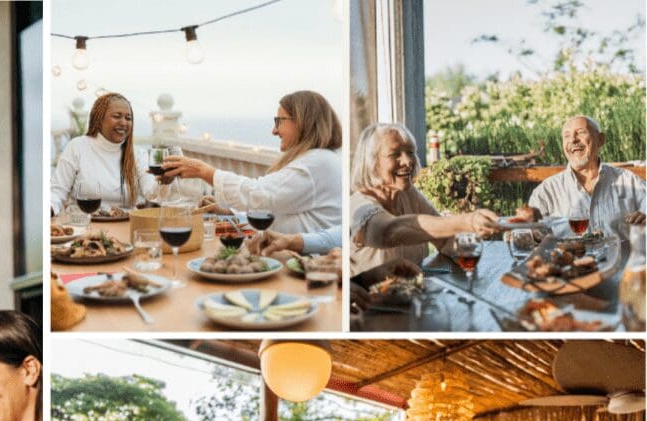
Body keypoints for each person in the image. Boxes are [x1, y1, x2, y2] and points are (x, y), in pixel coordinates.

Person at [161, 90, 342, 237]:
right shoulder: (319, 160)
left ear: (303, 121)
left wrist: (204, 171)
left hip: (308, 264)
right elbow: (279, 212)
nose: (274, 130)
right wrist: (230, 214)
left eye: (279, 121)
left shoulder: (318, 163)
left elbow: (259, 195)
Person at [350, 123, 500, 276]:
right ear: (371, 161)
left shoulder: (408, 194)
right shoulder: (358, 207)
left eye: (410, 152)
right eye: (395, 154)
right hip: (370, 298)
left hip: (412, 293)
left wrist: (470, 237)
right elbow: (390, 232)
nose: (408, 161)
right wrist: (466, 221)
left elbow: (446, 240)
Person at [529, 115, 646, 240]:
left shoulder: (630, 182)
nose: (573, 140)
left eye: (580, 132)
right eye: (567, 136)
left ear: (600, 139)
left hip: (623, 259)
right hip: (570, 259)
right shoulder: (546, 192)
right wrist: (524, 235)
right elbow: (530, 237)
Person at [49, 92, 157, 216]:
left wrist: (163, 182)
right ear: (99, 119)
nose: (123, 123)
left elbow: (151, 193)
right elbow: (57, 192)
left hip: (125, 226)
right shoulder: (77, 147)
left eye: (128, 118)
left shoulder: (138, 154)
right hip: (84, 227)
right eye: (117, 116)